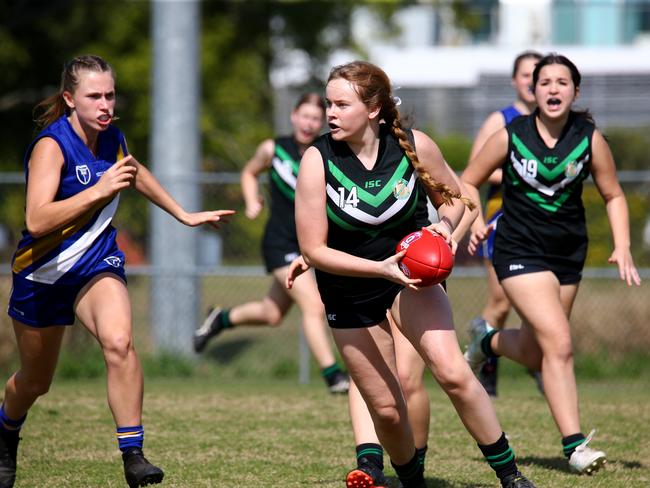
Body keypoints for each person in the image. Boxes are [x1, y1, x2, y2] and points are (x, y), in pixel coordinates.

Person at [293, 60, 535, 488]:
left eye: (341, 104)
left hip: (409, 277)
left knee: (453, 373)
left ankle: (510, 475)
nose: (330, 113)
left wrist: (443, 228)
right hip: (350, 287)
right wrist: (379, 269)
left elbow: (456, 201)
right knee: (386, 408)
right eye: (328, 103)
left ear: (372, 109)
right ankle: (412, 480)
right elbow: (314, 249)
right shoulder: (317, 160)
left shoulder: (413, 145)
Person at [0, 55, 235, 488]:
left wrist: (183, 214)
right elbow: (36, 220)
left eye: (110, 94)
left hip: (95, 261)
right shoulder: (51, 146)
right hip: (42, 272)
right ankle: (6, 430)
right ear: (70, 99)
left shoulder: (113, 138)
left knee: (119, 341)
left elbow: (135, 171)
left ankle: (133, 455)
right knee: (35, 382)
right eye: (94, 96)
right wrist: (98, 191)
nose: (105, 104)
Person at [461, 53, 641, 475]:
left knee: (540, 349)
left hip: (567, 254)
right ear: (532, 90)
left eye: (563, 82)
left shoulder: (589, 137)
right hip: (518, 249)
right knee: (559, 343)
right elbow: (468, 178)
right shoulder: (511, 135)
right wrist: (472, 221)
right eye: (545, 82)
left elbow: (613, 194)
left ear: (575, 91)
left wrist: (623, 244)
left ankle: (485, 343)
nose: (553, 88)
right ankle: (575, 446)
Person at [193, 94, 349, 394]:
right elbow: (249, 172)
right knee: (314, 306)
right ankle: (334, 376)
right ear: (293, 116)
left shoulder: (326, 152)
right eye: (304, 116)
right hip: (281, 242)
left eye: (316, 118)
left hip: (312, 245)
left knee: (272, 314)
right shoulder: (274, 149)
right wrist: (252, 201)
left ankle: (220, 319)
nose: (309, 123)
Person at [465, 50, 543, 397]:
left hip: (543, 224)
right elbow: (474, 169)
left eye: (538, 75)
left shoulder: (556, 123)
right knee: (501, 302)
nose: (532, 81)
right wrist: (522, 169)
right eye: (526, 75)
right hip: (501, 219)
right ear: (515, 80)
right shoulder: (502, 120)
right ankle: (486, 366)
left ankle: (539, 361)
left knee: (541, 303)